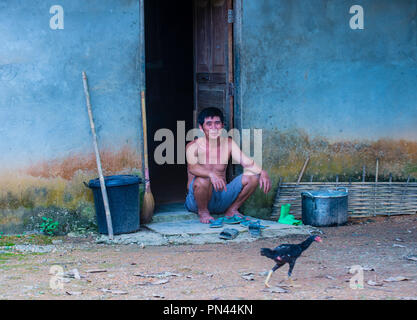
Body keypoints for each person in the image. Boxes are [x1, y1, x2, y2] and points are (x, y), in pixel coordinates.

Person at [185, 107, 271, 223]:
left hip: (222, 198)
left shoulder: (229, 143)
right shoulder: (192, 146)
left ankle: (232, 210)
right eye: (209, 124)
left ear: (222, 125)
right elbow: (193, 168)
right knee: (203, 179)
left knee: (253, 176)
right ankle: (203, 212)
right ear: (201, 127)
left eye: (217, 123)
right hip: (197, 201)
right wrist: (211, 174)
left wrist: (262, 172)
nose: (214, 128)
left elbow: (246, 162)